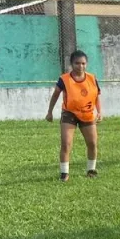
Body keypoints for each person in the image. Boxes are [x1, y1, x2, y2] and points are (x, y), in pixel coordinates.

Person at [45, 50, 102, 182]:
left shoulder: (92, 78)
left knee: (92, 143)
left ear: (86, 64)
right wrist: (50, 112)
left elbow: (97, 96)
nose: (80, 66)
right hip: (69, 113)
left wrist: (99, 112)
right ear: (71, 64)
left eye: (83, 63)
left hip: (87, 114)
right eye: (77, 63)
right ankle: (64, 173)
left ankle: (91, 169)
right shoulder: (64, 79)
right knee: (66, 143)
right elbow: (55, 95)